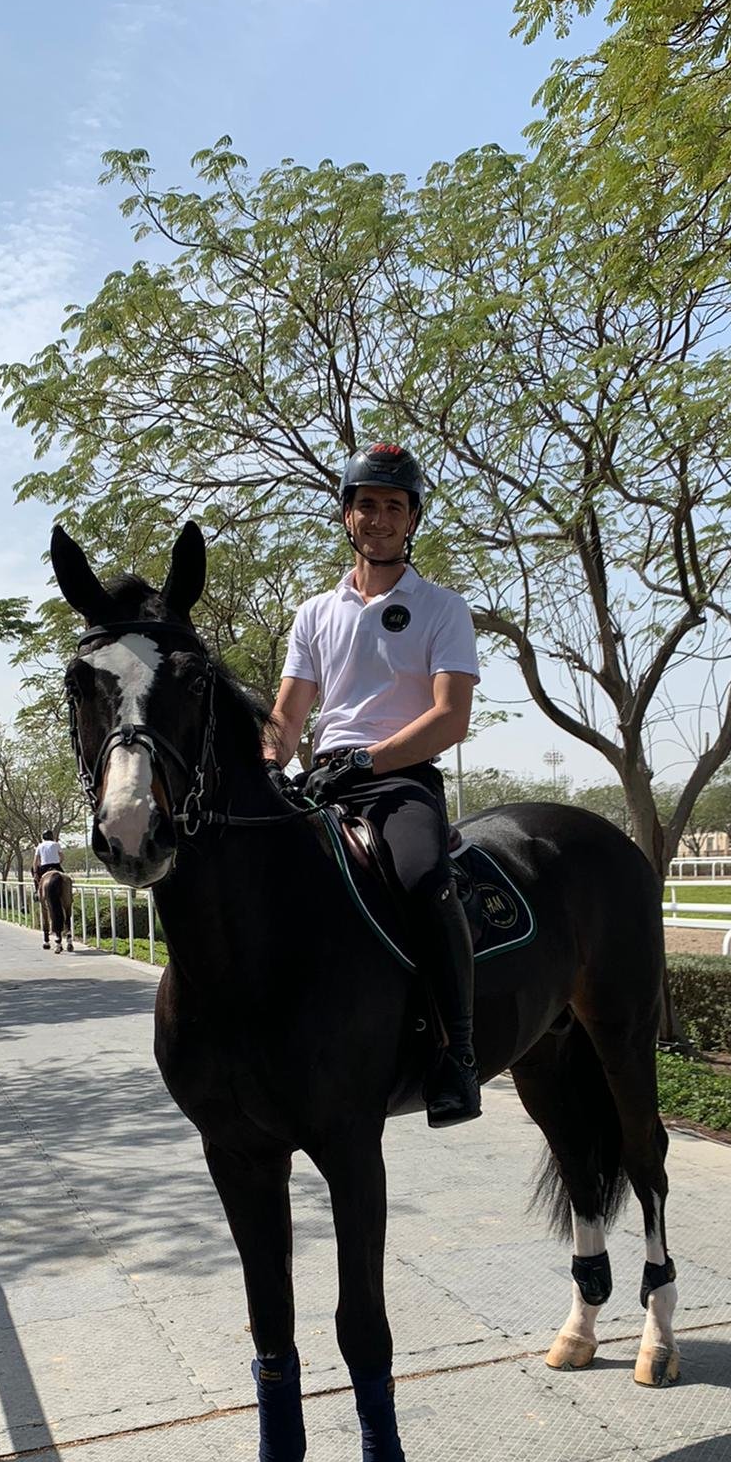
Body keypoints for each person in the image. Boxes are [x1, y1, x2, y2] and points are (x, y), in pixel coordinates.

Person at [264, 443, 482, 1127]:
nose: (379, 518)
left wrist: (368, 761)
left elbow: (450, 718)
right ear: (347, 516)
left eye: (394, 506)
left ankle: (459, 1057)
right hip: (323, 779)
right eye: (367, 505)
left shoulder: (443, 608)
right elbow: (289, 715)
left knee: (421, 878)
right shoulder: (313, 613)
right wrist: (268, 763)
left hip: (400, 783)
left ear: (412, 518)